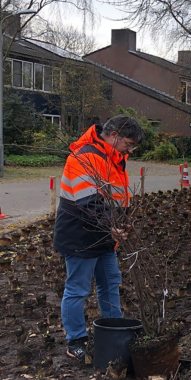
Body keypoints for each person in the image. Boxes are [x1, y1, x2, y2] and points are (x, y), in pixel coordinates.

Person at [54, 115, 145, 361]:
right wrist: (111, 226)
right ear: (114, 135)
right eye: (129, 143)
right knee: (78, 289)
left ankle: (114, 329)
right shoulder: (85, 156)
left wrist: (122, 220)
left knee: (111, 283)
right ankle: (76, 340)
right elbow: (88, 202)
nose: (131, 149)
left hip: (104, 235)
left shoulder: (114, 157)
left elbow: (115, 196)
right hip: (80, 235)